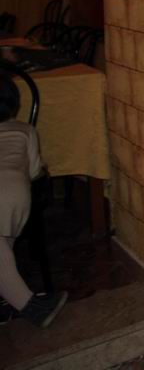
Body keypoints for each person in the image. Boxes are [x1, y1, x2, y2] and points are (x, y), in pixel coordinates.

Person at [0, 73, 66, 327]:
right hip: (17, 193)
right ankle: (9, 301)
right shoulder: (25, 130)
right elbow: (36, 170)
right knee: (3, 247)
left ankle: (30, 306)